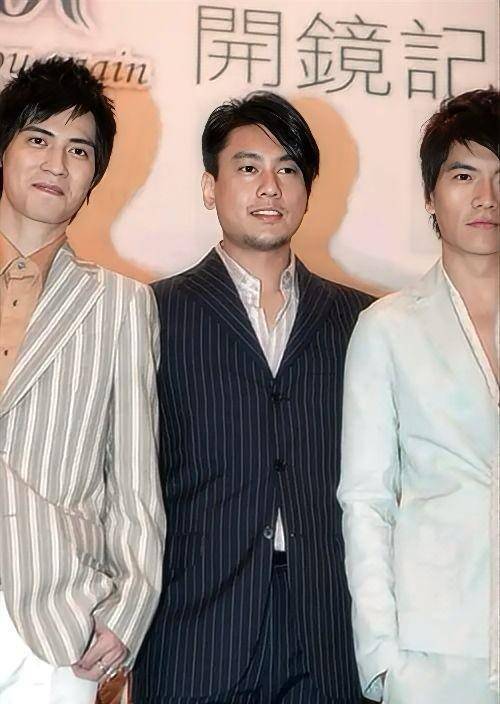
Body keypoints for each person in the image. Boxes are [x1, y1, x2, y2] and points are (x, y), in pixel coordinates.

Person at [133, 92, 373, 703]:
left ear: (308, 191)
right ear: (209, 186)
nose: (270, 187)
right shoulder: (152, 313)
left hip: (327, 631)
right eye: (248, 167)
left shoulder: (363, 321)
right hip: (194, 626)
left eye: (288, 169)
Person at [0, 56, 165, 703]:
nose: (56, 163)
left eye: (78, 150)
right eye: (38, 139)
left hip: (53, 622)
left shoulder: (121, 304)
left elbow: (135, 478)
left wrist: (128, 610)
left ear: (95, 175)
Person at [338, 89, 499, 704]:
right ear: (431, 195)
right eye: (464, 175)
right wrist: (382, 658)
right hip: (433, 653)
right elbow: (366, 501)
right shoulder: (388, 327)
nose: (486, 197)